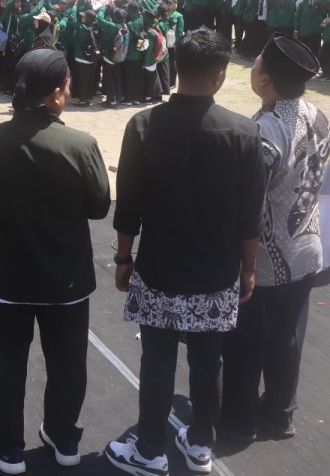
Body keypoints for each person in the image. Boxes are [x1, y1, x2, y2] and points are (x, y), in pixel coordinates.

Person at [106, 30, 264, 476]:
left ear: (175, 68)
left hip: (158, 269)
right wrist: (248, 270)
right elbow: (250, 215)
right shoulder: (244, 132)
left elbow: (128, 203)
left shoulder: (142, 125)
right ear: (220, 76)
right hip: (216, 273)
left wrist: (123, 259)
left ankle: (150, 449)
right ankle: (200, 446)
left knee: (156, 362)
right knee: (206, 361)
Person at [0, 49, 111, 474]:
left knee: (8, 364)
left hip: (7, 279)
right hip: (66, 280)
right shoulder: (80, 144)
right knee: (68, 363)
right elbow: (100, 206)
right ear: (58, 93)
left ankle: (7, 444)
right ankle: (64, 437)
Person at [220, 34, 330, 442]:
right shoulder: (319, 115)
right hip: (306, 248)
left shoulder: (265, 129)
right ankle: (281, 413)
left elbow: (248, 201)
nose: (251, 68)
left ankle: (238, 417)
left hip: (267, 259)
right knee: (288, 338)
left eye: (256, 63)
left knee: (247, 342)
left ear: (265, 78)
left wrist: (241, 261)